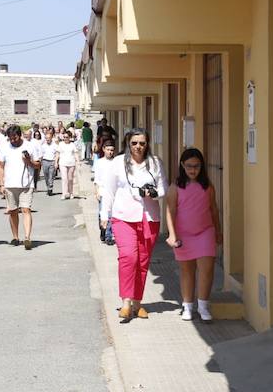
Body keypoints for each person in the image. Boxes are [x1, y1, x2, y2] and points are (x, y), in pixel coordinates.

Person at [99, 128, 166, 322]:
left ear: (147, 144)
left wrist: (154, 193)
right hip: (123, 217)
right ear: (128, 143)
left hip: (149, 217)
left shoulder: (155, 163)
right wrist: (105, 214)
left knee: (143, 261)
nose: (138, 146)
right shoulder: (119, 163)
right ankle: (126, 302)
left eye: (142, 143)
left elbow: (163, 187)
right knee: (129, 257)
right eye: (134, 143)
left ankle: (138, 301)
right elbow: (109, 191)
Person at [165, 148, 222, 322]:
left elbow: (213, 210)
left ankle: (203, 306)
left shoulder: (208, 186)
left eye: (196, 166)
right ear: (182, 165)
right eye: (189, 166)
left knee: (207, 269)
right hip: (183, 235)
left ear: (201, 166)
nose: (192, 170)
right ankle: (187, 306)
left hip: (205, 232)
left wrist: (218, 231)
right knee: (187, 271)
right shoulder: (175, 187)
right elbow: (170, 212)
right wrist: (172, 235)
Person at [0, 125, 40, 250]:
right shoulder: (4, 147)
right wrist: (1, 184)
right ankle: (15, 237)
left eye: (15, 138)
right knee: (13, 212)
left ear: (20, 135)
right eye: (10, 138)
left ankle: (27, 237)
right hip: (10, 184)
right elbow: (0, 166)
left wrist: (29, 162)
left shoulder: (30, 146)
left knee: (26, 209)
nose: (13, 140)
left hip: (26, 184)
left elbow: (38, 165)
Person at [92, 137, 117, 246]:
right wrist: (96, 191)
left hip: (113, 192)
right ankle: (103, 229)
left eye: (112, 150)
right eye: (108, 149)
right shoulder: (99, 162)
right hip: (102, 190)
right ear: (103, 149)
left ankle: (108, 235)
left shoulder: (116, 162)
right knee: (102, 213)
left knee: (110, 214)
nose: (110, 152)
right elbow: (97, 178)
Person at [56, 132, 78, 200]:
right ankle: (64, 193)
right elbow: (57, 153)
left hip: (71, 163)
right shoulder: (61, 144)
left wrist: (78, 161)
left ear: (70, 137)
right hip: (62, 163)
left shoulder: (72, 144)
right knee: (64, 179)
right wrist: (56, 162)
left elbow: (75, 153)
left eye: (66, 137)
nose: (65, 138)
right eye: (64, 137)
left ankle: (71, 192)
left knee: (70, 179)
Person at [40, 131, 58, 195]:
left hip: (52, 161)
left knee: (51, 176)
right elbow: (41, 154)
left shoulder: (55, 145)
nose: (47, 139)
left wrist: (56, 162)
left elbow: (57, 154)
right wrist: (40, 162)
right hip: (45, 161)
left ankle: (50, 187)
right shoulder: (43, 146)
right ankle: (48, 187)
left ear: (51, 138)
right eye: (46, 138)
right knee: (46, 176)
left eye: (49, 138)